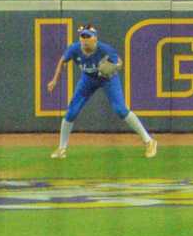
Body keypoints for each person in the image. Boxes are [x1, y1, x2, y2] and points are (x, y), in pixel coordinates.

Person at [43, 23, 158, 161]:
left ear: (95, 39)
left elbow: (119, 63)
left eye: (88, 37)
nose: (84, 40)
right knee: (71, 112)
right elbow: (63, 60)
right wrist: (54, 80)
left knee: (120, 110)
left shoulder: (105, 49)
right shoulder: (75, 49)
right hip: (88, 79)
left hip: (107, 79)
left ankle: (149, 141)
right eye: (82, 36)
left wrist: (112, 68)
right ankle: (61, 149)